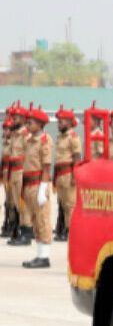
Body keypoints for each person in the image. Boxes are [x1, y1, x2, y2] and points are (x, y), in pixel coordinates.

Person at [19, 108, 53, 268]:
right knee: (34, 219)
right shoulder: (29, 140)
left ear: (40, 124)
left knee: (42, 220)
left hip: (39, 183)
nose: (28, 125)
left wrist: (43, 189)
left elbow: (46, 167)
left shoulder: (45, 140)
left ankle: (45, 257)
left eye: (30, 122)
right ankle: (39, 254)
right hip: (29, 185)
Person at [53, 106, 82, 242]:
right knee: (63, 203)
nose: (59, 123)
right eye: (58, 121)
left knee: (70, 204)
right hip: (60, 173)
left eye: (62, 121)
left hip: (68, 173)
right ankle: (64, 228)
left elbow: (77, 157)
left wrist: (75, 176)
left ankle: (71, 230)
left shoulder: (73, 137)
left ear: (70, 122)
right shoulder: (60, 137)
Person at [5, 104, 31, 246]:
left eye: (16, 118)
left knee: (23, 203)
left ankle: (26, 233)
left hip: (21, 171)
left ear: (22, 118)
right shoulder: (15, 134)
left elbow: (29, 154)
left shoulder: (25, 134)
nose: (13, 120)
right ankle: (19, 230)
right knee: (16, 203)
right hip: (13, 172)